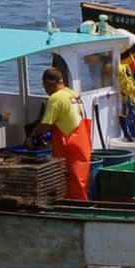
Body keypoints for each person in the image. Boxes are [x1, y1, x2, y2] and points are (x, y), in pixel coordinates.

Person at [30, 65, 93, 203]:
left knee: (70, 180)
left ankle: (76, 210)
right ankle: (81, 205)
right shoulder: (72, 93)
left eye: (44, 85)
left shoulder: (56, 98)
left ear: (47, 83)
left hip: (69, 146)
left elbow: (45, 125)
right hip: (82, 144)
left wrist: (33, 137)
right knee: (80, 181)